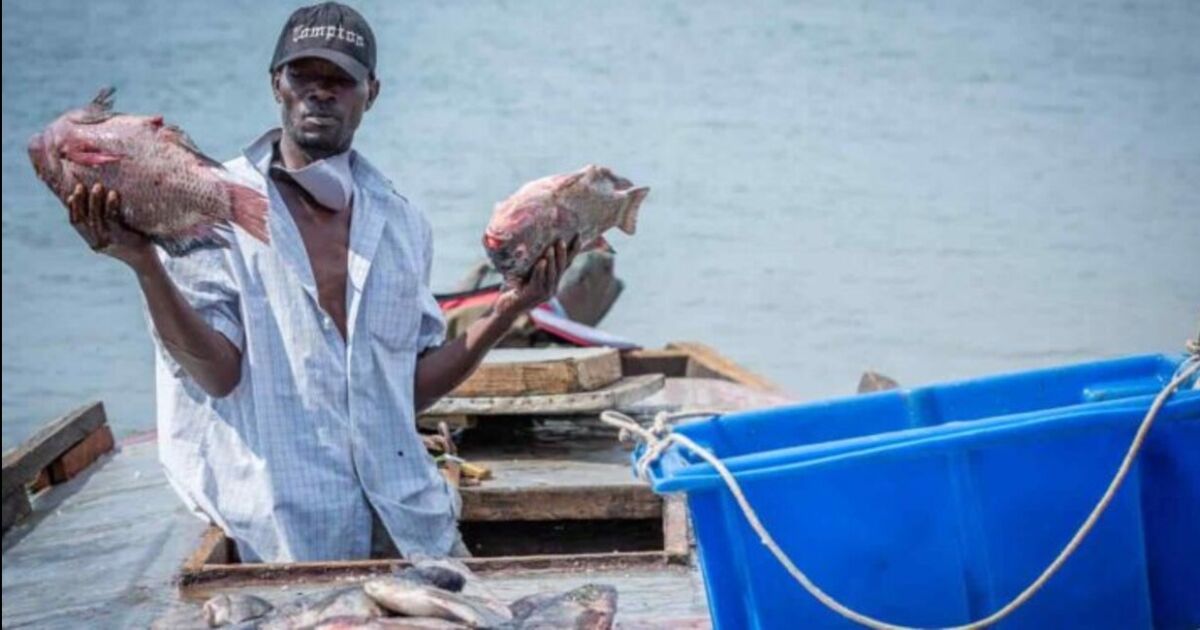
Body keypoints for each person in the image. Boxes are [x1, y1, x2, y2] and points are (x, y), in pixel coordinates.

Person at [58, 2, 578, 562]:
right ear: (276, 85)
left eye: (339, 80)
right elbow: (215, 373)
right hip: (282, 534)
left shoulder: (401, 221)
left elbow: (403, 391)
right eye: (302, 75)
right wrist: (145, 264)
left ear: (370, 93)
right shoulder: (209, 203)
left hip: (410, 519)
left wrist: (508, 309)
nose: (319, 92)